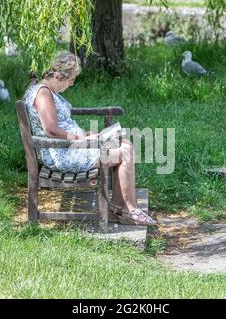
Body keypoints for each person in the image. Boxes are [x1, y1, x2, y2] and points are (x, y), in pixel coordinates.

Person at [23, 51, 157, 226]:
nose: (71, 84)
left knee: (125, 143)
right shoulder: (43, 94)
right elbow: (51, 130)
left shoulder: (47, 92)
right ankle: (129, 211)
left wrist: (88, 135)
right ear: (57, 76)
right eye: (71, 80)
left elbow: (60, 126)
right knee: (124, 152)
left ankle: (118, 205)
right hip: (62, 154)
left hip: (68, 147)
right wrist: (81, 138)